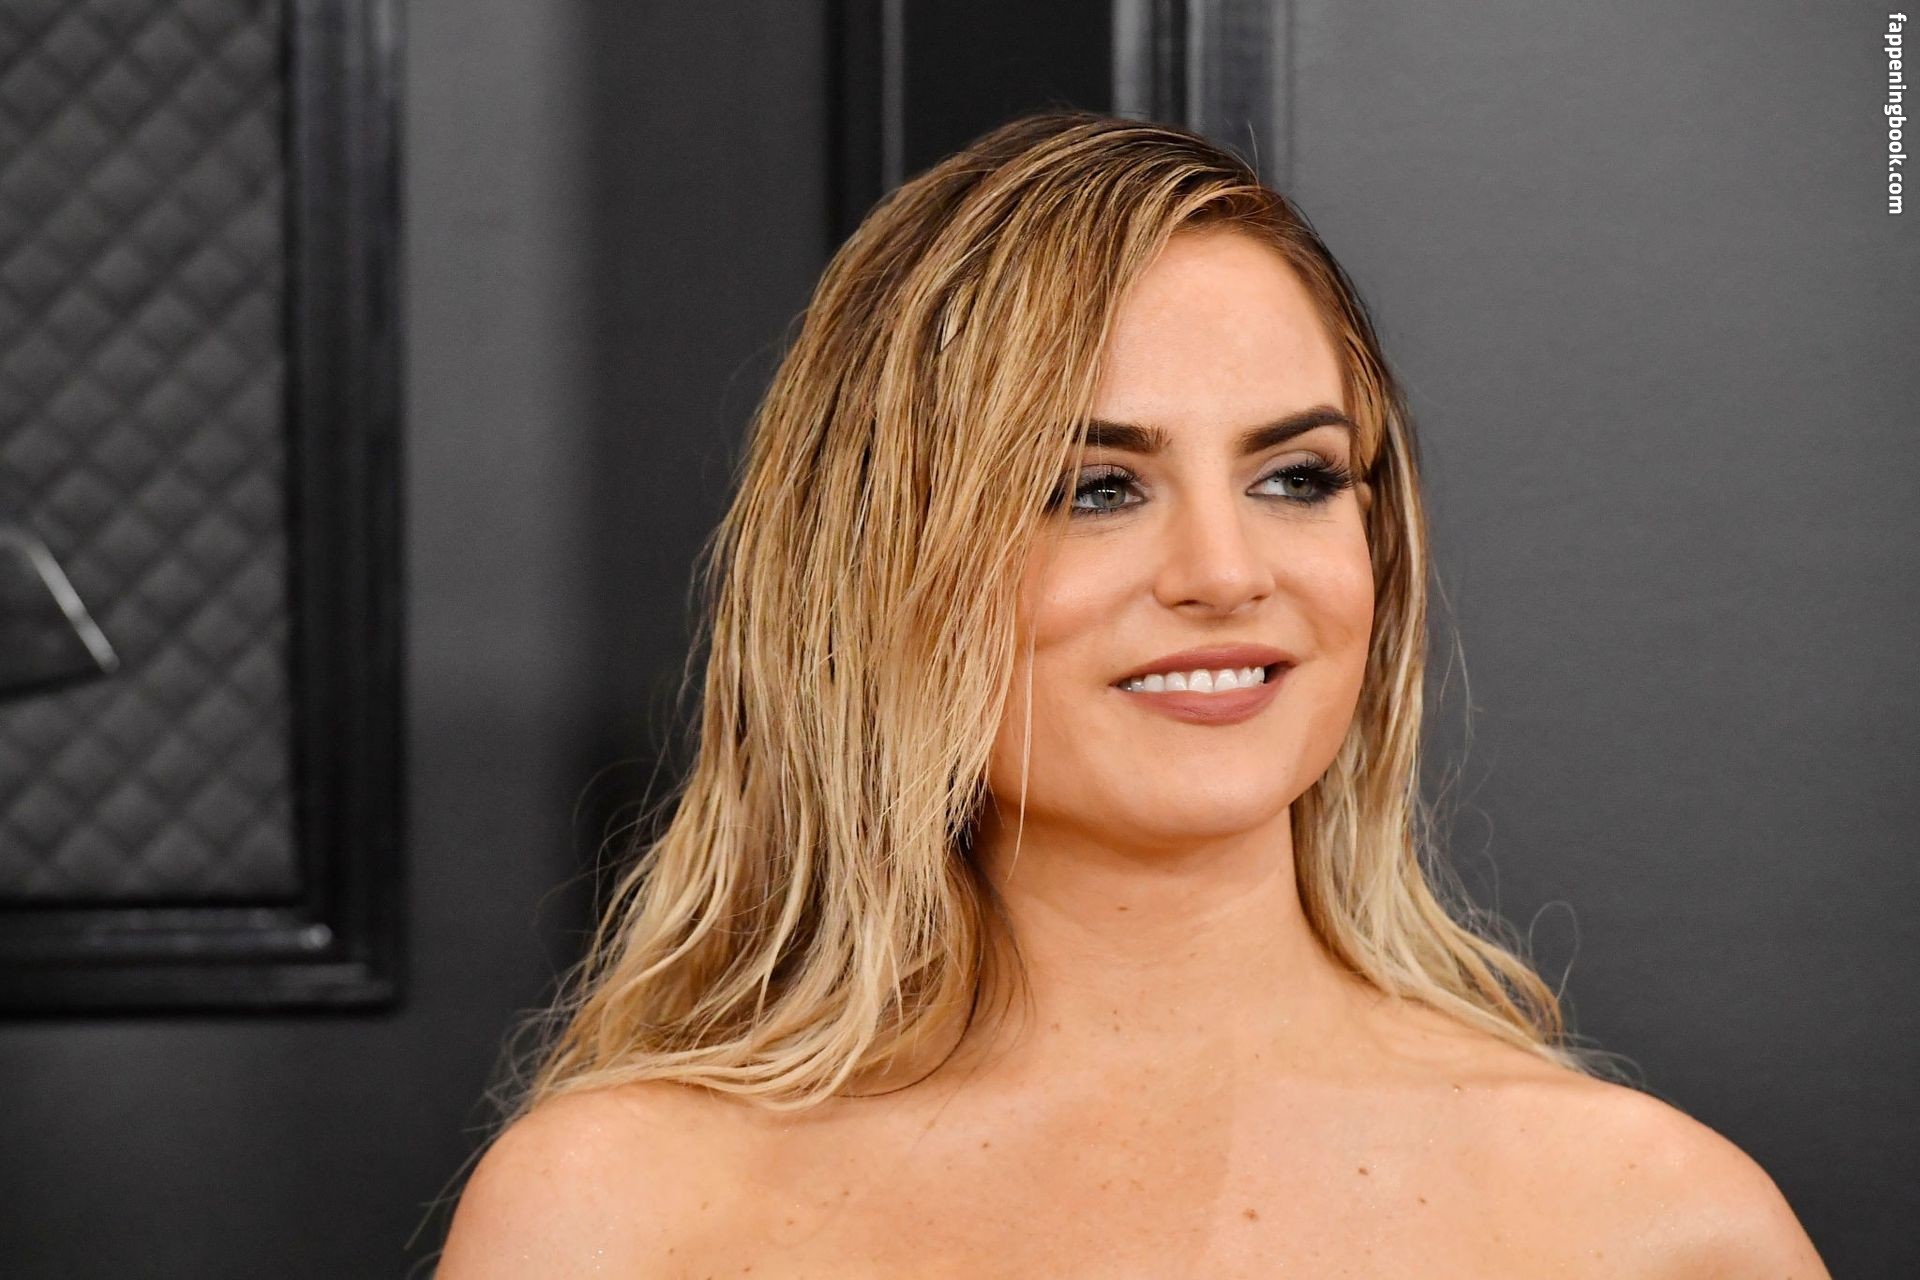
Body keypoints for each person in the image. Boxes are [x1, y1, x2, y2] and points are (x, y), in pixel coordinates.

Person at [436, 111, 1827, 1276]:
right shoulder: (612, 1217)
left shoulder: (1660, 1229)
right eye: (1095, 489)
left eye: (1295, 477)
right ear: (874, 569)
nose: (1225, 572)